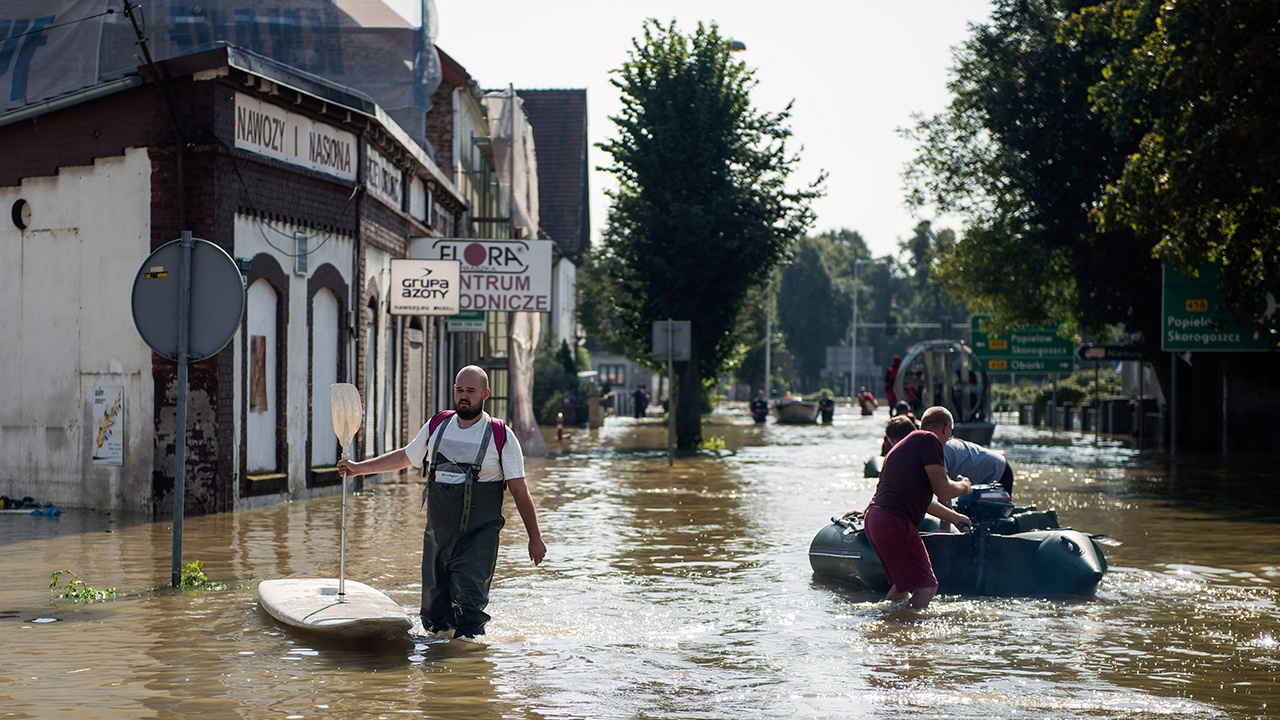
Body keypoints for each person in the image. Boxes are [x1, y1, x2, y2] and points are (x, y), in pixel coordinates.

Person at [337, 365, 546, 639]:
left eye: (470, 391)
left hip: (478, 538)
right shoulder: (438, 425)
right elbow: (404, 457)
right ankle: (438, 671)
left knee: (468, 605)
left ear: (485, 394)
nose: (463, 396)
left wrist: (535, 538)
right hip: (437, 537)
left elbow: (520, 491)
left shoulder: (500, 436)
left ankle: (469, 669)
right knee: (435, 619)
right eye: (459, 389)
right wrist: (357, 468)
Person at [863, 406, 973, 610]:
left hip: (875, 519)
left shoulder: (905, 445)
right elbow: (943, 490)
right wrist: (965, 487)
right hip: (894, 521)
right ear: (946, 429)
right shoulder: (929, 440)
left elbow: (925, 500)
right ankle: (907, 634)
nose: (947, 442)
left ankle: (885, 626)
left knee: (902, 587)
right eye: (949, 436)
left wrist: (955, 517)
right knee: (926, 586)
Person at [944, 436, 1014, 495]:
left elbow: (945, 490)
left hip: (999, 469)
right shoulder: (942, 444)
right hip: (990, 466)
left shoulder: (940, 450)